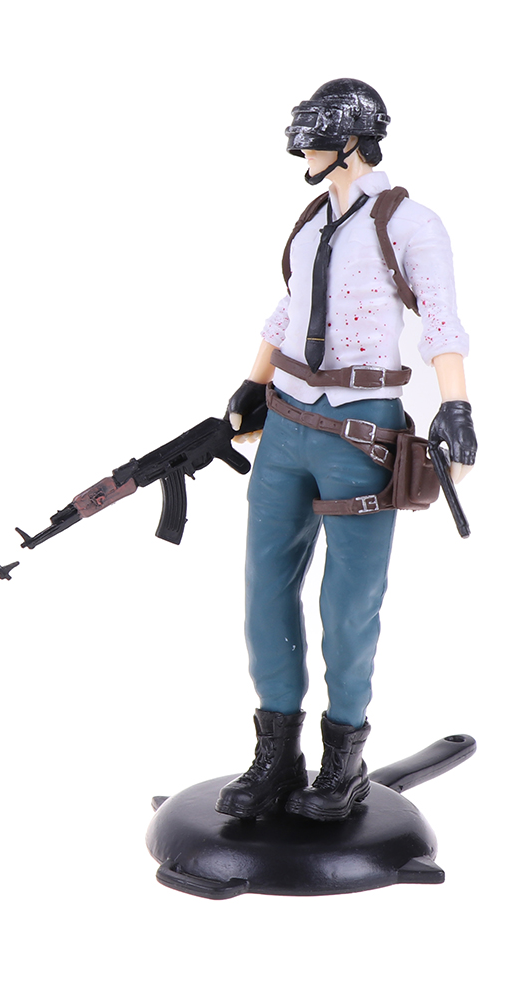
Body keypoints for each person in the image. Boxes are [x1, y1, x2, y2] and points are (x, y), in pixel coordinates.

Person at [214, 80, 477, 822]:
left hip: (361, 430)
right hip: (286, 421)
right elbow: (290, 307)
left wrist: (456, 405)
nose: (304, 153)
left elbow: (442, 320)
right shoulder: (311, 221)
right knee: (265, 589)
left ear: (353, 143)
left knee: (349, 603)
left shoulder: (411, 223)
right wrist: (253, 380)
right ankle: (275, 757)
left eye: (318, 141)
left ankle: (344, 760)